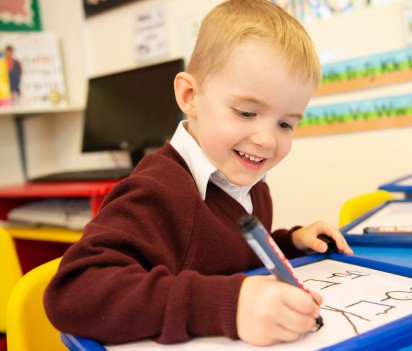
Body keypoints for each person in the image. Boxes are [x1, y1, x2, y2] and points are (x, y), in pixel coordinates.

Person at [44, 0, 353, 347]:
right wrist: (228, 305)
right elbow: (74, 291)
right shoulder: (159, 191)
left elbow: (226, 258)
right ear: (190, 96)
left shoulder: (248, 185)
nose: (267, 140)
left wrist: (288, 243)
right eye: (246, 112)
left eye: (285, 123)